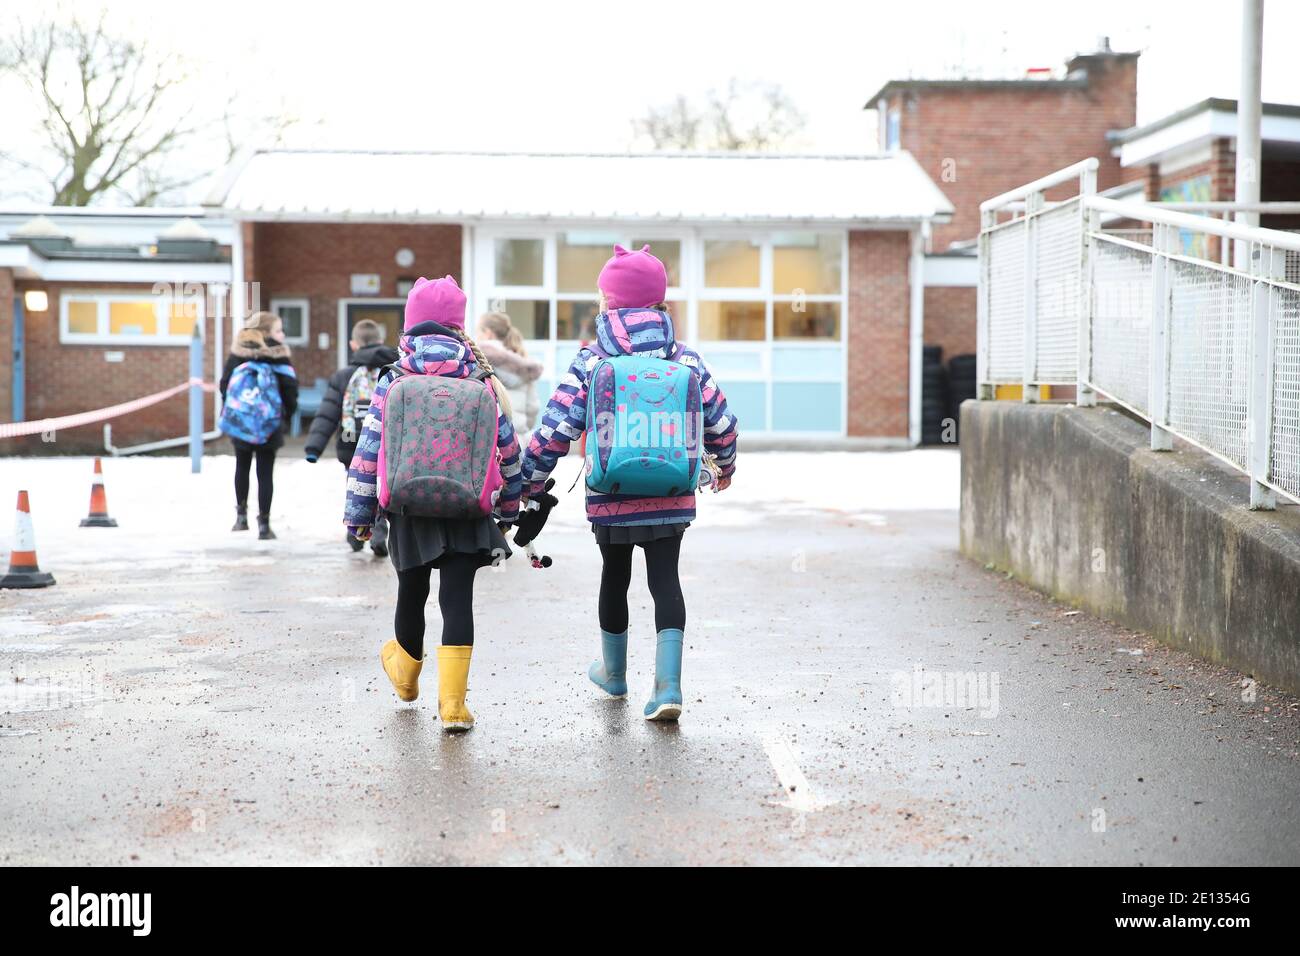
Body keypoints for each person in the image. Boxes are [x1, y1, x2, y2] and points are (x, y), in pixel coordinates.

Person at [522, 245, 738, 722]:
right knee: (666, 581)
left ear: (609, 304)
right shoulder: (686, 359)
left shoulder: (592, 360)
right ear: (659, 303)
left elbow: (555, 428)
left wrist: (528, 483)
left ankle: (615, 674)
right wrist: (725, 466)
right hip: (672, 495)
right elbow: (722, 421)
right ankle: (668, 688)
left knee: (614, 576)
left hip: (610, 494)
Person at [344, 276, 521, 733]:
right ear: (458, 328)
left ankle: (406, 680)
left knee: (412, 593)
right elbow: (508, 450)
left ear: (410, 326)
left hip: (409, 508)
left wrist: (360, 516)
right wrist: (511, 508)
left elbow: (368, 452)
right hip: (467, 508)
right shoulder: (480, 380)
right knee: (457, 600)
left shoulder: (394, 378)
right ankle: (454, 707)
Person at [304, 319, 399, 555]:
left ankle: (355, 532)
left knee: (355, 485)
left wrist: (314, 448)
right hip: (385, 442)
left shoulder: (344, 375)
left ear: (353, 344)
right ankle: (378, 532)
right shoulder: (395, 372)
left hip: (351, 442)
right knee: (381, 485)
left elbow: (328, 413)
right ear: (380, 340)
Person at [219, 311, 298, 540]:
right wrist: (284, 417)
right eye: (278, 330)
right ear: (266, 333)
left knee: (241, 466)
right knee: (265, 473)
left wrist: (236, 413)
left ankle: (241, 517)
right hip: (269, 424)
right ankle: (264, 524)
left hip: (242, 422)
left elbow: (225, 385)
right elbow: (290, 389)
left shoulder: (238, 353)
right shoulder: (278, 356)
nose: (282, 335)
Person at [475, 311, 542, 435]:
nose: (476, 336)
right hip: (518, 437)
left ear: (488, 333)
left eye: (478, 331)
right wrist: (521, 427)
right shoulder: (522, 364)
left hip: (490, 438)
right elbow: (533, 407)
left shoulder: (478, 358)